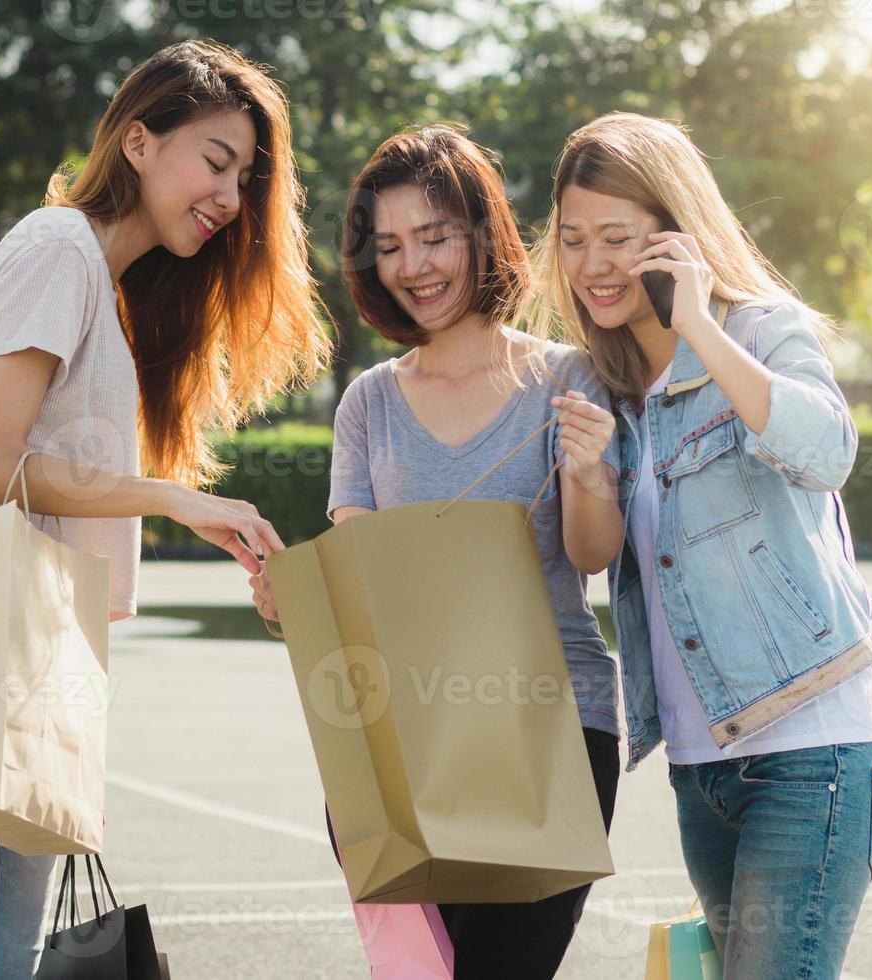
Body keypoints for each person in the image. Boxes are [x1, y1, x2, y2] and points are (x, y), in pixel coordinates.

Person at [0, 40, 331, 978]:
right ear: (138, 142)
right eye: (215, 162)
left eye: (244, 179)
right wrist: (178, 500)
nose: (229, 199)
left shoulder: (108, 288)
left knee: (26, 970)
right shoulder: (55, 247)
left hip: (27, 665)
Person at [251, 123, 623, 978]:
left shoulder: (567, 378)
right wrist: (288, 600)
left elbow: (593, 557)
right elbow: (363, 578)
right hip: (403, 735)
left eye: (434, 236)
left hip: (553, 724)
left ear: (480, 234)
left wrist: (593, 471)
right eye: (389, 246)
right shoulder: (368, 404)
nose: (413, 265)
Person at [529, 111, 872, 978]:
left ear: (675, 235)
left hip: (809, 752)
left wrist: (699, 325)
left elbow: (825, 450)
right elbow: (592, 555)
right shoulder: (605, 378)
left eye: (617, 238)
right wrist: (588, 474)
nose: (592, 265)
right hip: (700, 767)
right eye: (574, 240)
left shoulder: (759, 330)